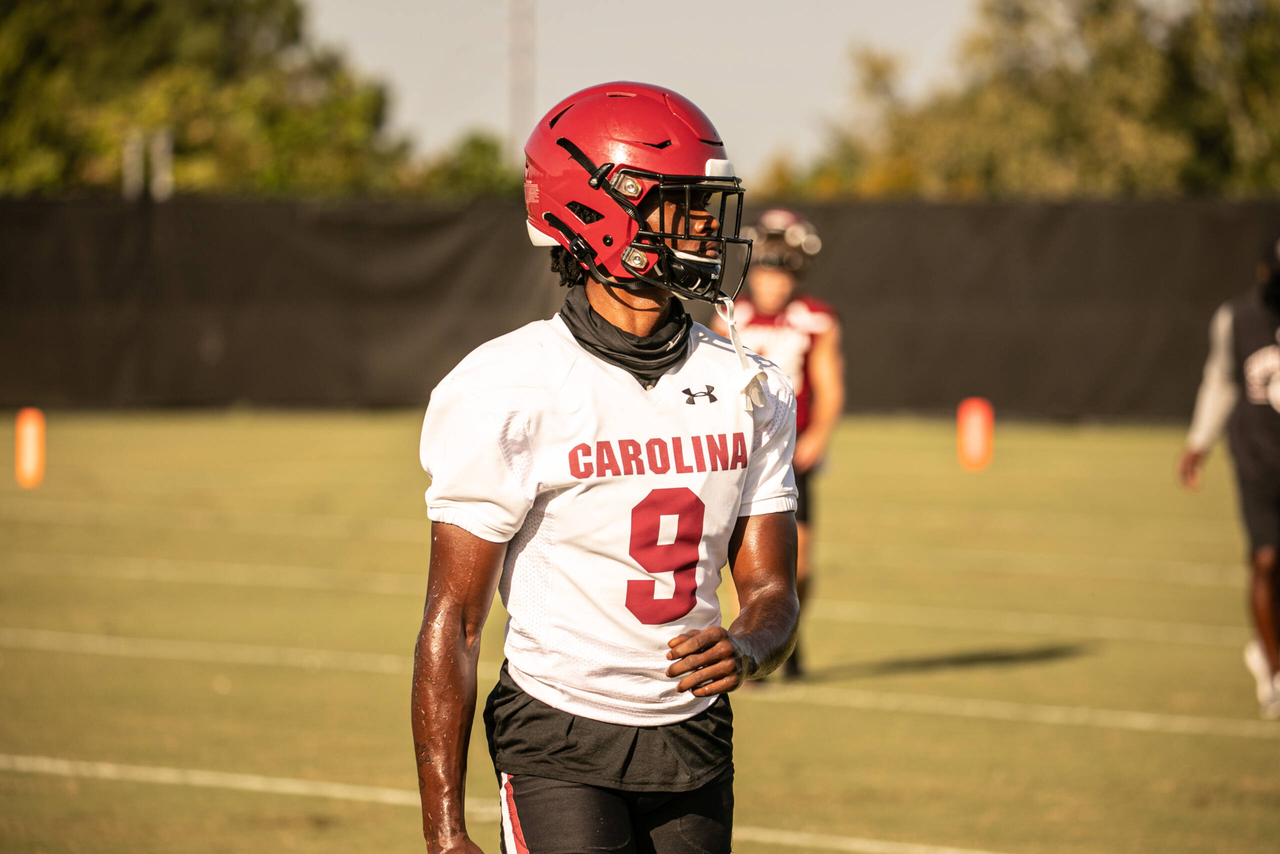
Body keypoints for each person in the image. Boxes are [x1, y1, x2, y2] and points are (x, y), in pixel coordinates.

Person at [411, 81, 800, 854]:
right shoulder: (508, 384)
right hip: (557, 733)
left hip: (694, 734)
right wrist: (445, 831)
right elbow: (454, 621)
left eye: (707, 203)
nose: (707, 225)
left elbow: (770, 591)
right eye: (682, 204)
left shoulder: (748, 385)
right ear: (600, 211)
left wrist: (748, 646)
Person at [712, 209, 843, 680]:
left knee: (798, 565)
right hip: (744, 450)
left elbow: (829, 385)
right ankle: (749, 646)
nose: (771, 281)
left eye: (781, 271)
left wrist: (818, 436)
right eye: (765, 270)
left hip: (791, 451)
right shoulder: (731, 315)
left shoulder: (816, 319)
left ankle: (787, 633)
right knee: (745, 559)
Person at [1179, 235, 1280, 720]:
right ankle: (1275, 674)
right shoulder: (1236, 319)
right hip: (1256, 460)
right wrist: (1198, 443)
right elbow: (1220, 381)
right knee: (1265, 559)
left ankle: (1265, 646)